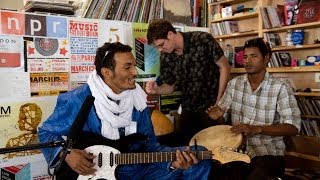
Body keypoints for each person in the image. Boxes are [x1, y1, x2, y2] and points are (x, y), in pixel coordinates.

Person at [38, 42, 211, 179]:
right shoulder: (77, 99)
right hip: (95, 174)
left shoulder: (138, 100)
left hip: (137, 169)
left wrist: (174, 164)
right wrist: (66, 155)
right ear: (107, 72)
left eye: (134, 66)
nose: (135, 72)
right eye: (127, 67)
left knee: (199, 155)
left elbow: (150, 147)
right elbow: (45, 134)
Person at [207, 37, 301, 179]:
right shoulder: (234, 85)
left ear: (266, 58)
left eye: (253, 56)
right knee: (211, 172)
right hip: (235, 151)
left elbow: (293, 127)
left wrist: (257, 128)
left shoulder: (280, 87)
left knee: (256, 175)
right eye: (245, 57)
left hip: (267, 153)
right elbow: (225, 127)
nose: (247, 61)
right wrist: (218, 117)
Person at [146, 19, 230, 145]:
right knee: (187, 150)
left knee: (214, 151)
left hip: (211, 107)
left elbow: (224, 67)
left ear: (170, 34)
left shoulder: (202, 39)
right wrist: (157, 90)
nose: (160, 50)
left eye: (161, 45)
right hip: (188, 109)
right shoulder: (166, 56)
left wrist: (219, 101)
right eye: (157, 47)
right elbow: (170, 87)